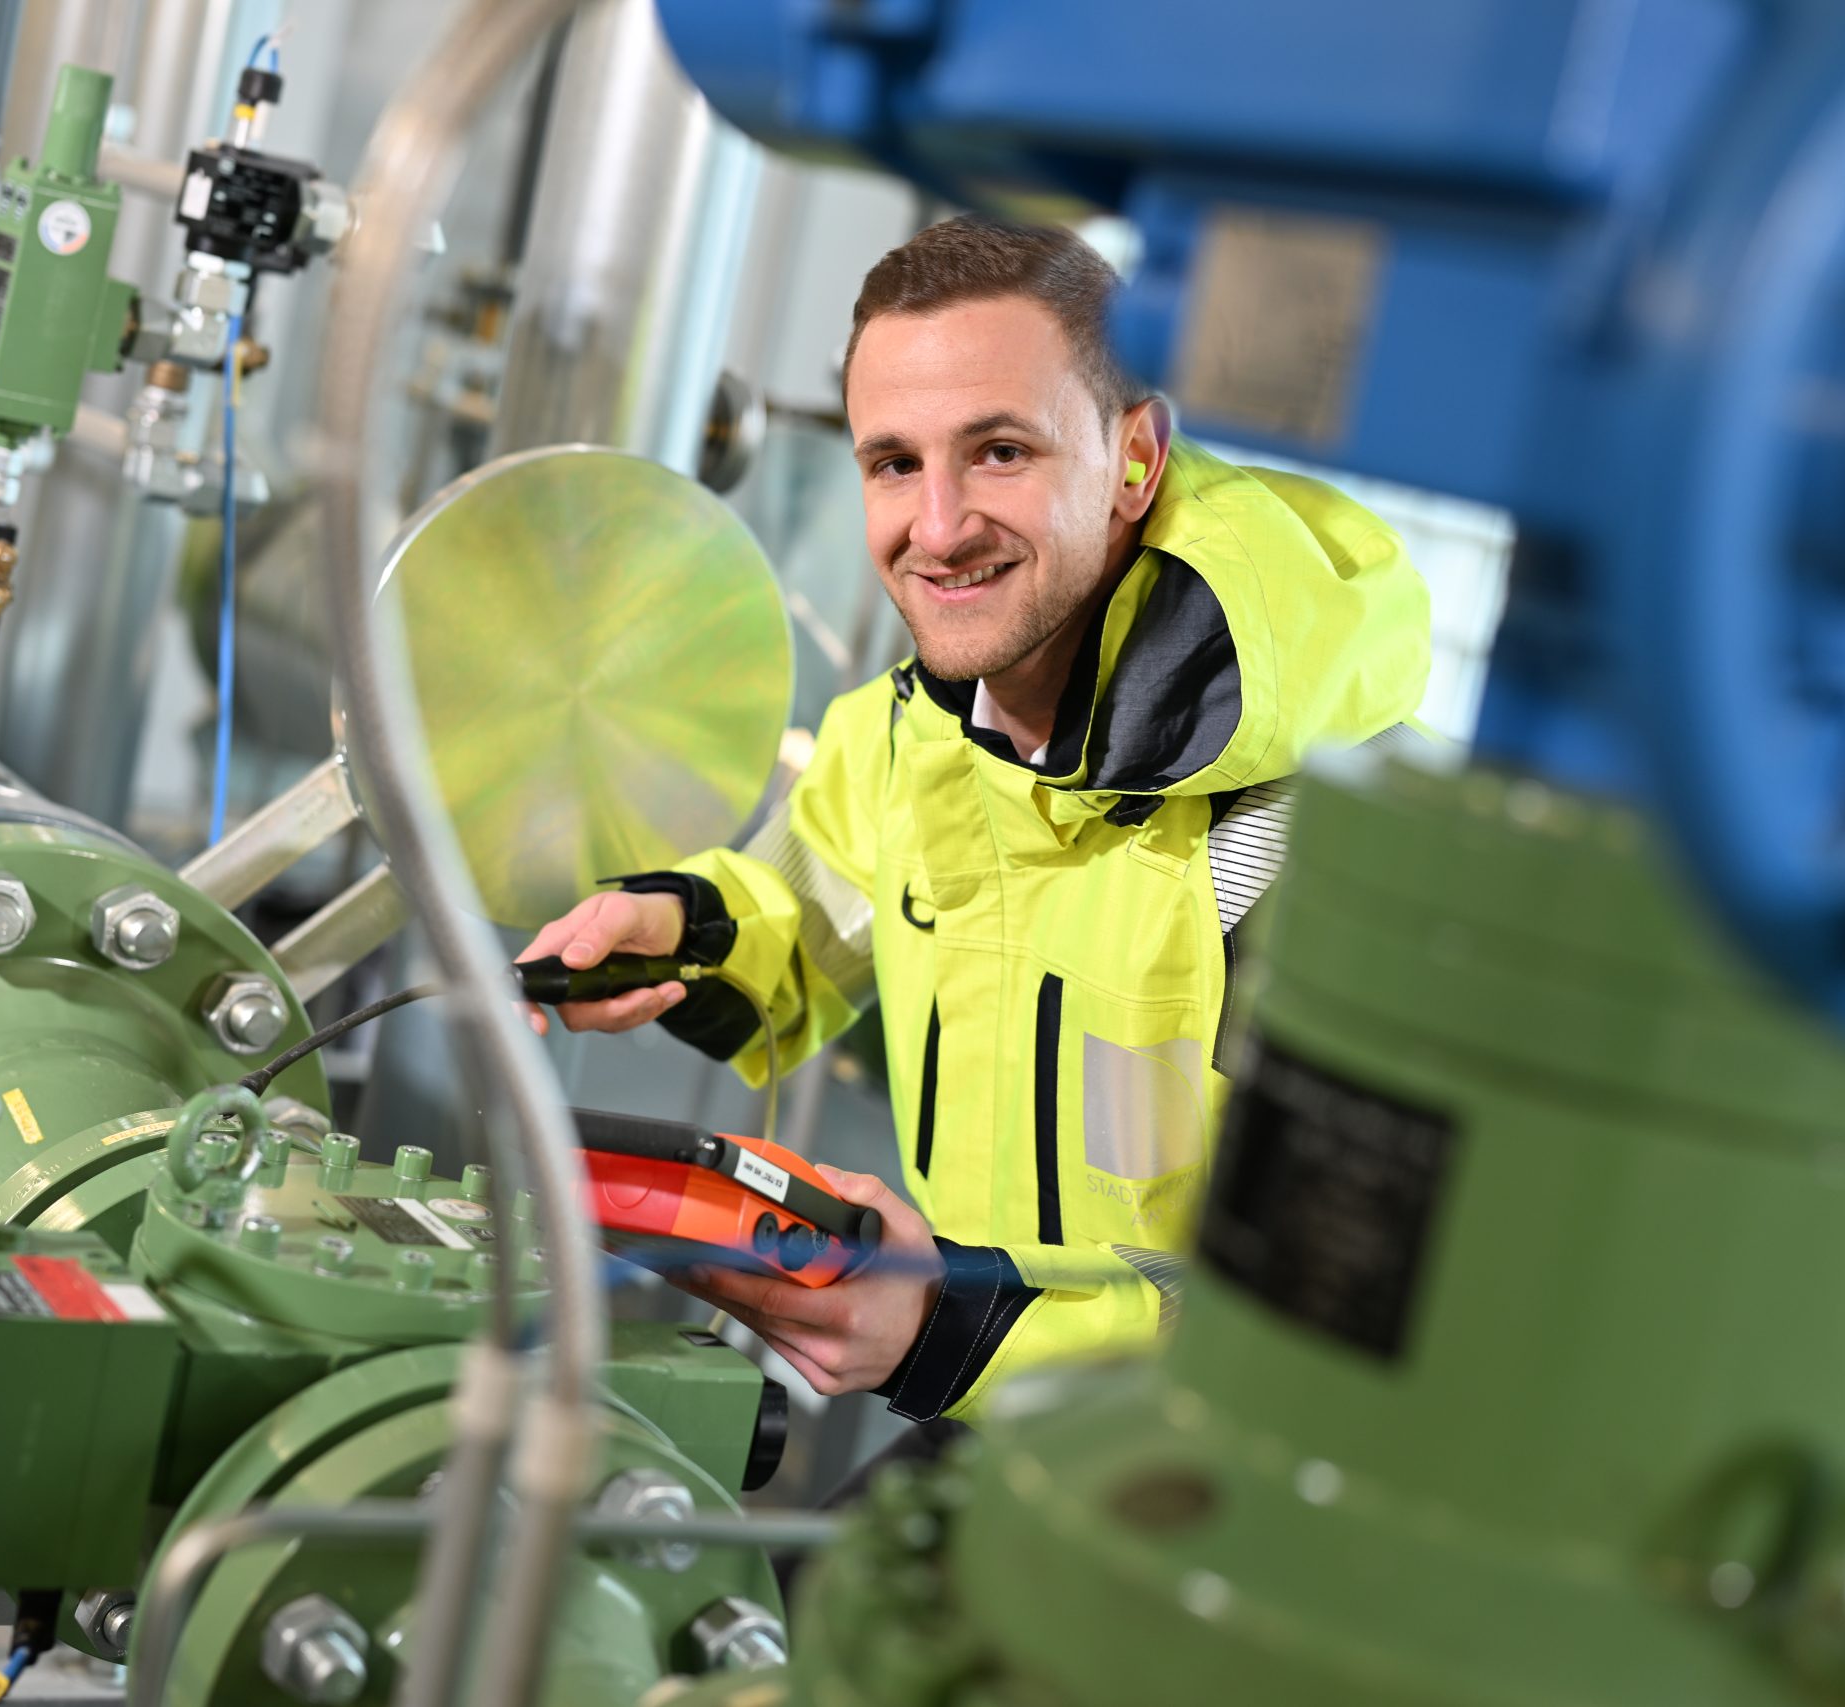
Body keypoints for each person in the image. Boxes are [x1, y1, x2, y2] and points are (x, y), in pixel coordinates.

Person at [519, 217, 1430, 1430]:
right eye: (894, 463)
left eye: (999, 452)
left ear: (1135, 460)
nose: (937, 528)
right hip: (988, 1431)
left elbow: (1341, 1339)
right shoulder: (910, 742)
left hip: (1206, 1491)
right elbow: (808, 916)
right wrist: (680, 930)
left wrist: (952, 1331)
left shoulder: (1288, 850)